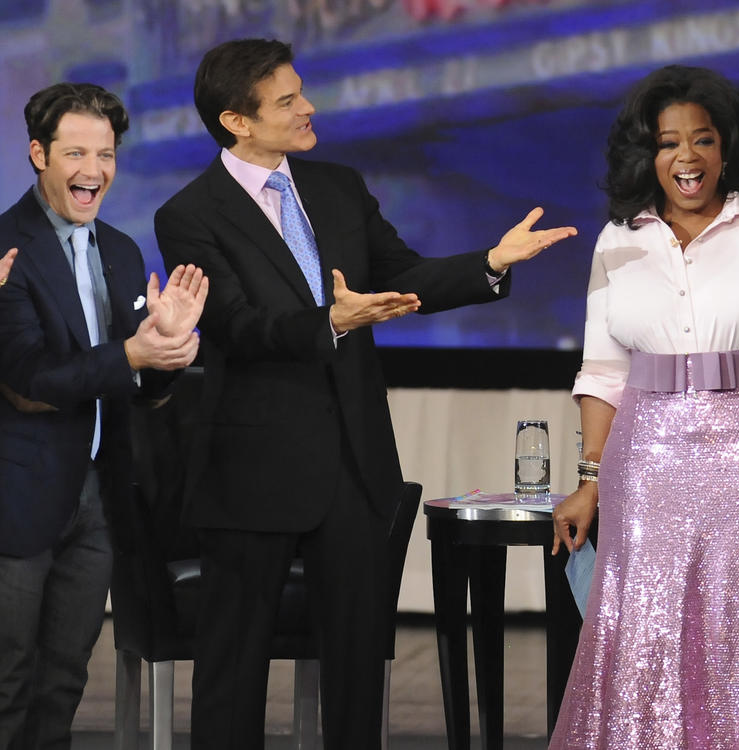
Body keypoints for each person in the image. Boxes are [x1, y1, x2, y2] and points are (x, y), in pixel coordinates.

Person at [153, 37, 576, 750]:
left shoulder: (338, 187)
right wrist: (329, 322)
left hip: (354, 464)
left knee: (356, 667)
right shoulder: (188, 214)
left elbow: (405, 275)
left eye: (301, 91)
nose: (307, 107)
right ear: (238, 121)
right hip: (251, 471)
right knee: (233, 671)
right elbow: (238, 326)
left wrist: (490, 264)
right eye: (287, 101)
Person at [550, 65, 739, 749]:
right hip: (644, 465)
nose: (687, 158)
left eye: (703, 140)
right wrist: (589, 482)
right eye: (668, 142)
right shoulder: (618, 239)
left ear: (727, 149)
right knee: (648, 628)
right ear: (645, 156)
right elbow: (602, 372)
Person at [0, 83, 207, 749]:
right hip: (17, 496)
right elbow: (27, 380)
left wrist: (167, 357)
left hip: (98, 498)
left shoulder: (120, 250)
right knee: (8, 680)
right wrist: (134, 352)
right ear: (38, 154)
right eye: (75, 153)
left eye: (107, 155)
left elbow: (136, 387)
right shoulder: (7, 249)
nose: (94, 171)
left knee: (64, 680)